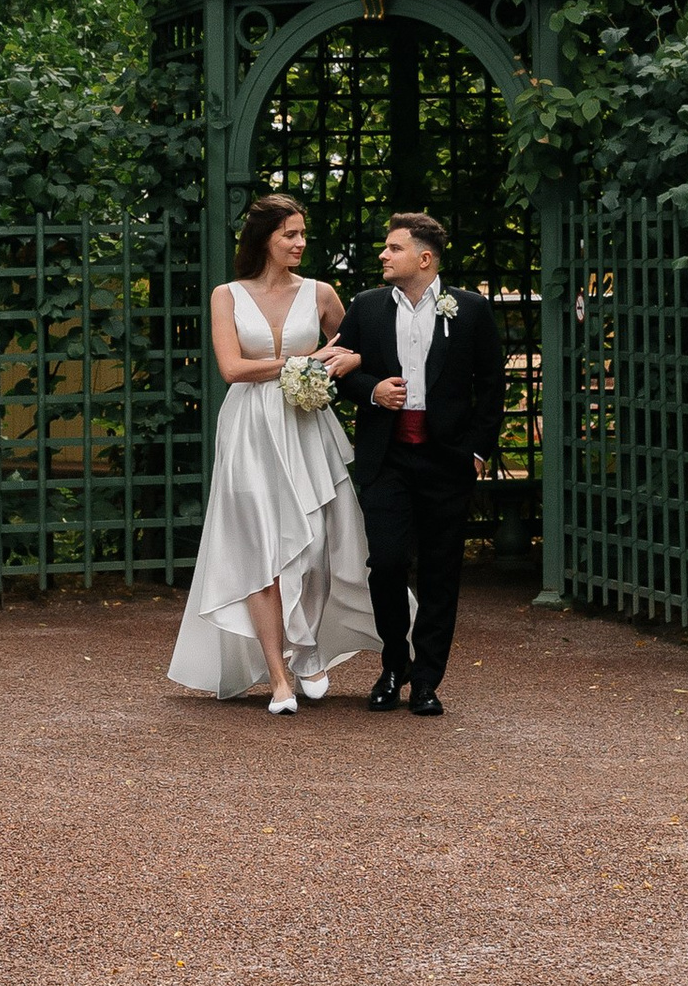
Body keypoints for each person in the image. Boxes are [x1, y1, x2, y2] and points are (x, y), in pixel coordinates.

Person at [167, 193, 376, 714]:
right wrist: (302, 363)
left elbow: (354, 347)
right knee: (260, 548)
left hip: (306, 429)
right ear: (264, 239)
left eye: (303, 234)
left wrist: (340, 364)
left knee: (318, 544)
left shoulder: (322, 293)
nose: (301, 243)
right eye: (291, 234)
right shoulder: (227, 295)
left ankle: (307, 651)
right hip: (250, 429)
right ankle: (279, 677)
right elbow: (233, 369)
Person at [337, 212, 505, 715]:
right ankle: (394, 664)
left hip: (447, 460)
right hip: (386, 459)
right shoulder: (365, 308)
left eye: (393, 248)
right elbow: (339, 370)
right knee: (385, 562)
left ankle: (427, 680)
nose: (383, 255)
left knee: (440, 572)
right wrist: (372, 389)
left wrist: (477, 452)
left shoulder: (470, 310)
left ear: (424, 258)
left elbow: (492, 386)